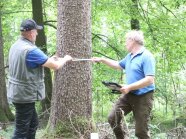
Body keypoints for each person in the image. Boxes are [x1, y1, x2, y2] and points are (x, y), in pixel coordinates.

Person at [7, 19, 72, 139]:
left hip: (18, 93)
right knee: (21, 131)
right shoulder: (31, 50)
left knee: (33, 124)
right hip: (24, 96)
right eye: (36, 31)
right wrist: (66, 59)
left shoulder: (16, 46)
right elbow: (56, 66)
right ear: (31, 32)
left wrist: (50, 59)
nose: (37, 34)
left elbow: (28, 64)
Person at [92, 30, 155, 139]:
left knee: (141, 132)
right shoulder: (129, 56)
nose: (125, 43)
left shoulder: (147, 56)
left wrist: (129, 87)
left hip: (144, 96)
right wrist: (102, 59)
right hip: (128, 95)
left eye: (126, 40)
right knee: (113, 118)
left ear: (133, 41)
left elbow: (150, 79)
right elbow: (117, 65)